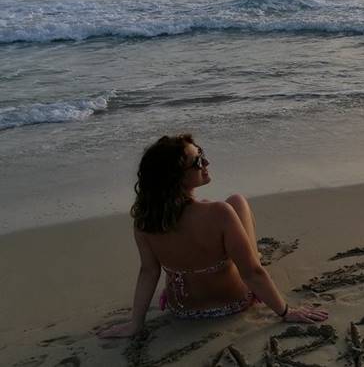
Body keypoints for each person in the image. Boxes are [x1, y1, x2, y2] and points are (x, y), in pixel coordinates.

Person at [97, 134, 327, 338]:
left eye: (202, 154)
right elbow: (252, 273)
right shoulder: (219, 213)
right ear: (177, 178)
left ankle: (242, 253)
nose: (206, 163)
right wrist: (286, 312)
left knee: (208, 210)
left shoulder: (145, 221)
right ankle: (250, 253)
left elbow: (149, 272)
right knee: (237, 201)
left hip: (183, 309)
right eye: (197, 161)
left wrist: (135, 324)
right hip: (233, 303)